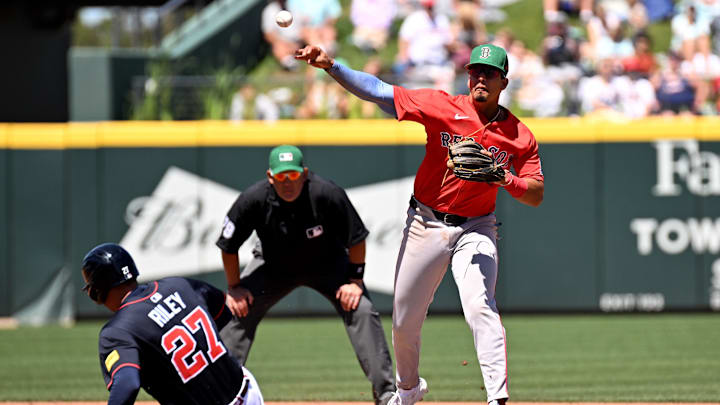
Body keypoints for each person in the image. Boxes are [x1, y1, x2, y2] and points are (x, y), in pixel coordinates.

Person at [295, 42, 545, 405]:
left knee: (480, 305)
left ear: (503, 82)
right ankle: (409, 391)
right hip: (425, 223)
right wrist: (332, 66)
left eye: (489, 73)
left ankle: (497, 398)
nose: (480, 78)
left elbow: (535, 193)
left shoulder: (519, 135)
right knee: (404, 322)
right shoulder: (443, 107)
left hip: (476, 227)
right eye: (474, 70)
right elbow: (380, 92)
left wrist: (506, 178)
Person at [216, 145, 395, 405]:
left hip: (328, 264)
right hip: (272, 266)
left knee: (362, 309)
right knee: (237, 311)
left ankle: (386, 393)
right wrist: (234, 287)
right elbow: (228, 246)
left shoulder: (326, 193)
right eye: (281, 177)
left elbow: (356, 238)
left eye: (293, 175)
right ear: (270, 176)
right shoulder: (253, 199)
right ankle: (220, 392)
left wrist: (355, 282)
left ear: (305, 173)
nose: (288, 183)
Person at [80, 243, 264, 405]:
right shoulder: (179, 284)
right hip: (248, 393)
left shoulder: (117, 331)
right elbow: (223, 314)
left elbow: (128, 384)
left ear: (98, 291)